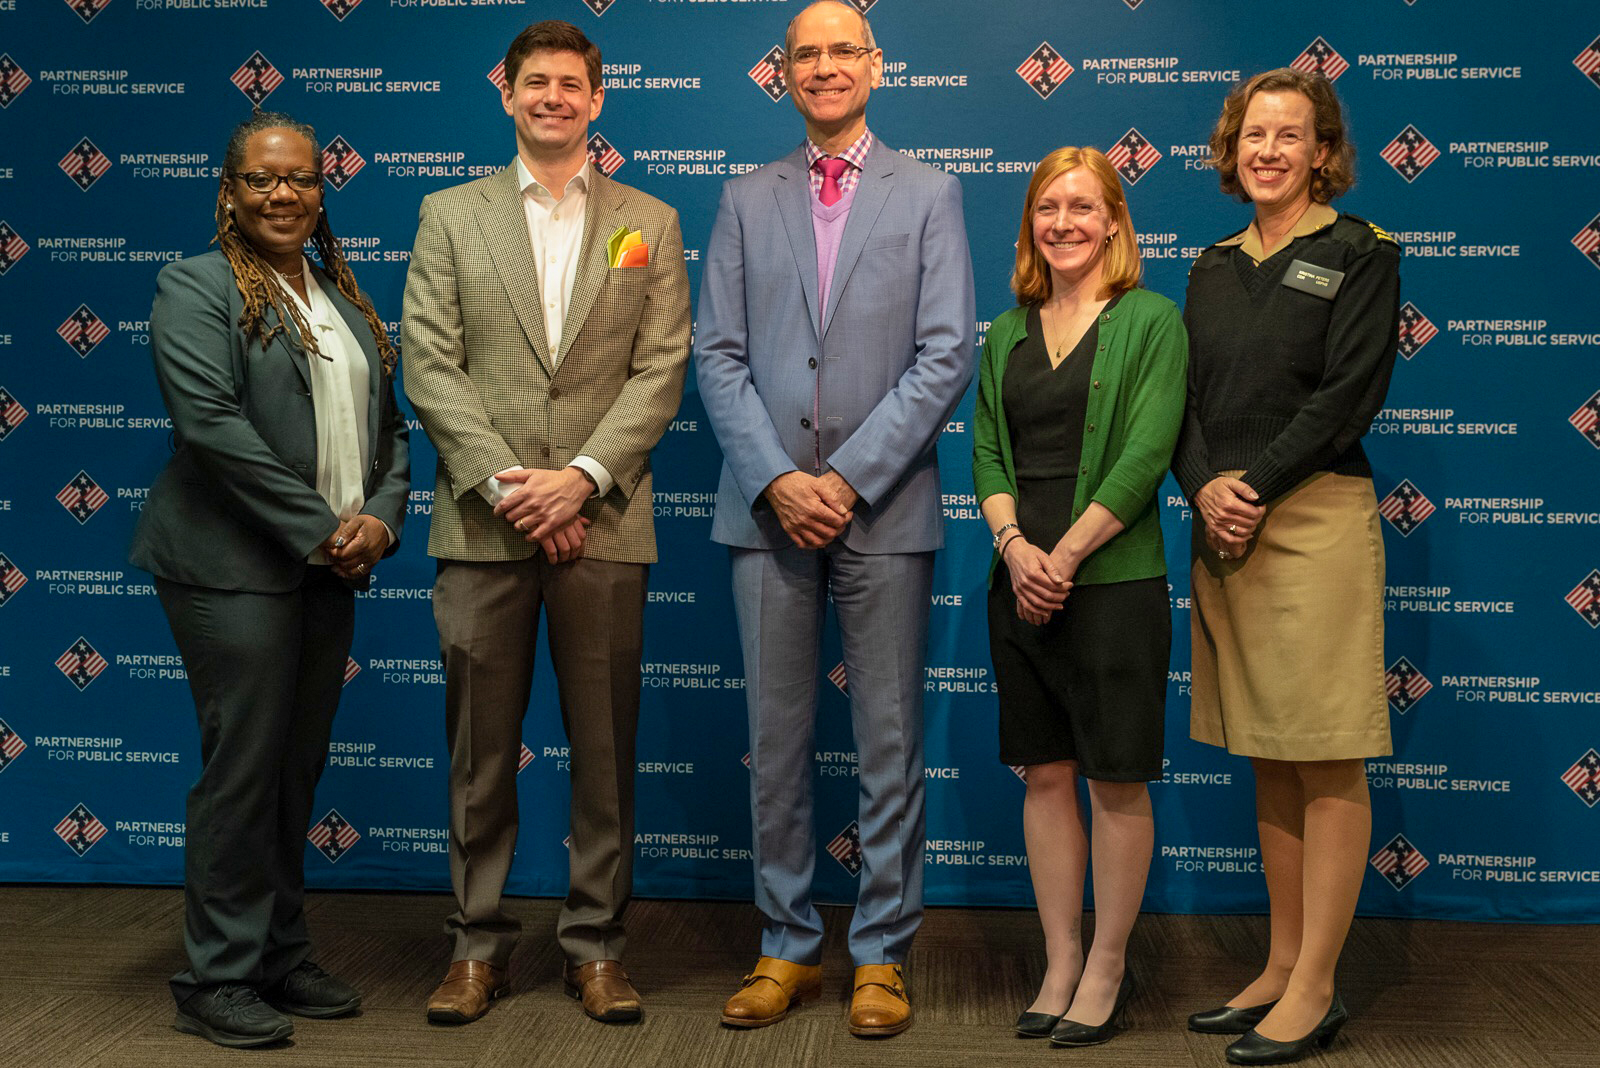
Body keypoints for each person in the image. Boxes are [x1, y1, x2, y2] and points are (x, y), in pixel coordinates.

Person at [402, 19, 691, 1027]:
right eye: (536, 83)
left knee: (604, 754)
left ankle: (597, 949)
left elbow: (660, 368)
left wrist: (578, 480)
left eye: (571, 83)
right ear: (507, 94)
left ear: (597, 98)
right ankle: (476, 948)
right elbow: (429, 364)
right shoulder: (451, 215)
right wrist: (511, 487)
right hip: (484, 529)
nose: (553, 98)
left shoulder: (647, 219)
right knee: (480, 756)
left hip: (603, 522)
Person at [695, 0, 975, 1039]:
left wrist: (846, 478)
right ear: (784, 73)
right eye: (804, 54)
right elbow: (716, 354)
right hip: (765, 513)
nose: (823, 68)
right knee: (776, 742)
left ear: (876, 66)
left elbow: (947, 353)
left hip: (884, 507)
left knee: (888, 740)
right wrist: (777, 479)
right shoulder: (741, 196)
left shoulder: (930, 194)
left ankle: (882, 954)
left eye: (840, 51)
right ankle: (783, 946)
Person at [129, 110, 410, 1048]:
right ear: (230, 190)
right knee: (242, 774)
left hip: (328, 567)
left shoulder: (340, 297)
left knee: (294, 772)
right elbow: (211, 428)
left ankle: (279, 954)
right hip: (231, 571)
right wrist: (323, 530)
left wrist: (379, 517)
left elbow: (393, 433)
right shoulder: (197, 287)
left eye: (301, 179)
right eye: (262, 179)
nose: (283, 194)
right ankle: (214, 975)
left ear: (323, 192)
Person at [1173, 68, 1401, 1066]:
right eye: (1252, 134)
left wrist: (1251, 484)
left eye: (1289, 135)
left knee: (1325, 748)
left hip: (1308, 519)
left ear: (1322, 151)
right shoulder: (1209, 264)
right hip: (1220, 527)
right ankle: (1278, 962)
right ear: (1232, 149)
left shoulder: (1359, 252)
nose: (1268, 150)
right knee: (1270, 748)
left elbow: (1349, 395)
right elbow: (1176, 398)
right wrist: (1200, 488)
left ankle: (1317, 986)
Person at [972, 146, 1186, 1048]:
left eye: (1083, 207)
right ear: (1032, 224)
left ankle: (1106, 964)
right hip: (1019, 586)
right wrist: (1017, 550)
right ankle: (1058, 959)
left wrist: (1061, 554)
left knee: (1115, 780)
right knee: (1046, 773)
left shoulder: (1151, 321)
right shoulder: (1005, 332)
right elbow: (986, 449)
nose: (1063, 222)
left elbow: (1147, 454)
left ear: (1114, 223)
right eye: (1047, 207)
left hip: (1113, 585)